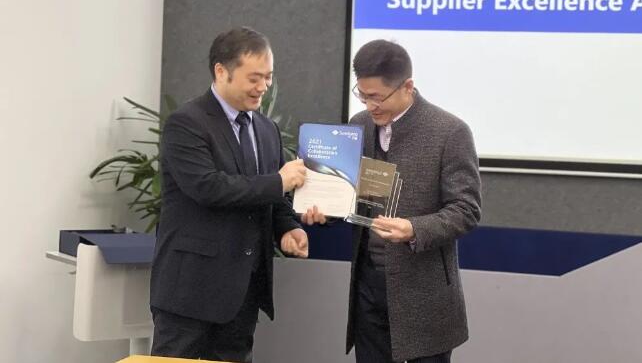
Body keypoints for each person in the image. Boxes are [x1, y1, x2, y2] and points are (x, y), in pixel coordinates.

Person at [302, 39, 481, 362]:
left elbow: (466, 210)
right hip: (369, 287)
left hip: (423, 293)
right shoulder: (359, 126)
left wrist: (414, 228)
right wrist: (325, 211)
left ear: (407, 86)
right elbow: (350, 195)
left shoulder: (450, 132)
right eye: (362, 95)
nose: (370, 106)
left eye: (377, 97)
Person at [150, 26, 309, 362]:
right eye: (254, 78)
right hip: (190, 293)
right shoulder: (186, 123)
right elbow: (209, 187)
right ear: (221, 71)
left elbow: (273, 197)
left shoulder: (266, 129)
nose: (263, 87)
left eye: (268, 77)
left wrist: (288, 228)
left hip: (243, 294)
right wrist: (278, 182)